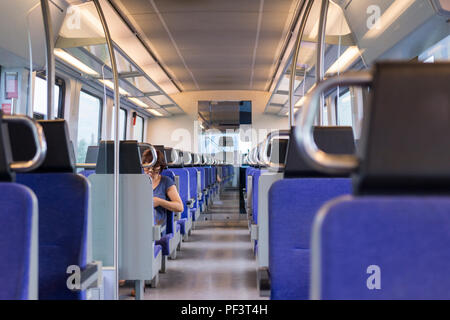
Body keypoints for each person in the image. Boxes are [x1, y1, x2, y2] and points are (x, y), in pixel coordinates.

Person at [141, 148, 183, 232]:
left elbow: (180, 207)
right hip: (140, 221)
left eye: (154, 167)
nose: (150, 170)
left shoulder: (166, 181)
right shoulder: (137, 181)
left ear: (160, 167)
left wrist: (159, 202)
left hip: (157, 225)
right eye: (147, 167)